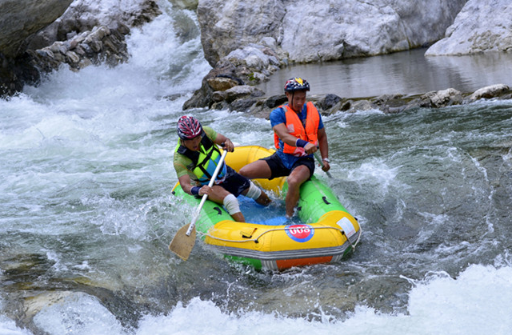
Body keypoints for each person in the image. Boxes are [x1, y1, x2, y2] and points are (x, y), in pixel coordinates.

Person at [239, 77, 330, 218]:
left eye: (303, 98)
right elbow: (284, 136)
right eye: (297, 98)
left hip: (304, 161)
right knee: (243, 172)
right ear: (288, 95)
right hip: (282, 158)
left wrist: (325, 159)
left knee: (293, 181)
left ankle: (289, 219)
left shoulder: (313, 112)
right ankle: (264, 200)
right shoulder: (278, 114)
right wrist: (304, 144)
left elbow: (322, 137)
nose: (300, 103)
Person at [173, 116, 271, 222]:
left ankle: (277, 210)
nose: (196, 142)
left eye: (197, 137)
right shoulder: (180, 158)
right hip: (207, 184)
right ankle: (245, 231)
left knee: (255, 192)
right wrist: (199, 190)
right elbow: (185, 185)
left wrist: (229, 143)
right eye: (191, 140)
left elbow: (225, 140)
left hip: (225, 173)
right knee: (231, 201)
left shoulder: (206, 132)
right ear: (183, 139)